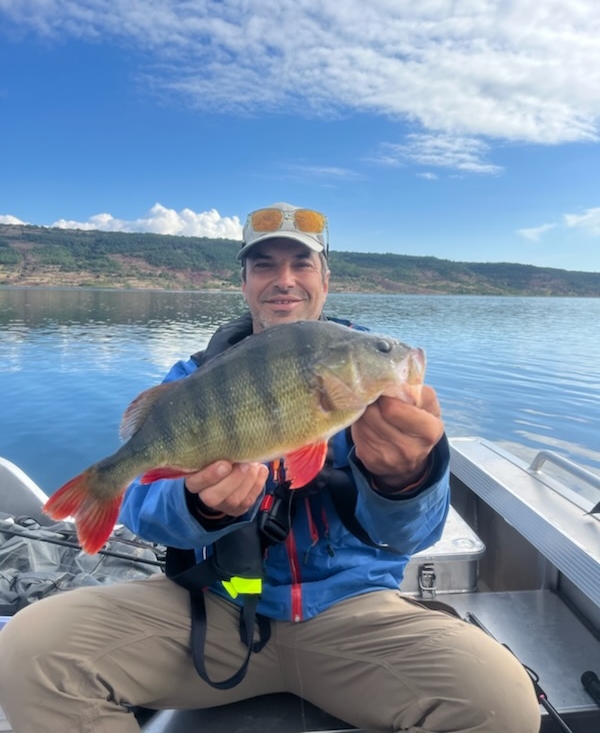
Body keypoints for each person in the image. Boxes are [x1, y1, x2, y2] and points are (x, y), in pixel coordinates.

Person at [0, 202, 541, 733]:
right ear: (244, 283)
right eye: (264, 266)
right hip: (216, 608)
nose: (284, 280)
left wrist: (406, 479)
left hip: (353, 614)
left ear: (325, 281)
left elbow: (413, 537)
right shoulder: (193, 377)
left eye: (302, 264)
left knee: (499, 702)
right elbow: (143, 509)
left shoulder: (379, 394)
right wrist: (198, 506)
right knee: (32, 651)